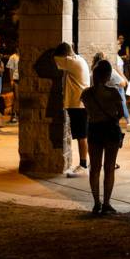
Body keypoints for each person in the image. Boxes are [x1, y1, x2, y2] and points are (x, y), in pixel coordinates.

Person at [81, 59, 126, 214]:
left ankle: (96, 203)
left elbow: (87, 111)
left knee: (94, 168)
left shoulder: (86, 94)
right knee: (109, 168)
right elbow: (121, 113)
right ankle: (106, 203)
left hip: (94, 129)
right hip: (110, 130)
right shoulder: (113, 92)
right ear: (107, 76)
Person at [53, 42, 91, 177]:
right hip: (80, 104)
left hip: (77, 104)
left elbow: (54, 58)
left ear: (66, 55)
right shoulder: (79, 60)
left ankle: (83, 165)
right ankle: (86, 163)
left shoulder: (71, 61)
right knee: (83, 135)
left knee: (82, 136)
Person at [5, 46, 20, 123]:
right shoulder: (13, 57)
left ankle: (18, 113)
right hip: (16, 79)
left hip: (22, 79)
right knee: (16, 97)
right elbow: (10, 69)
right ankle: (13, 115)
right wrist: (11, 80)